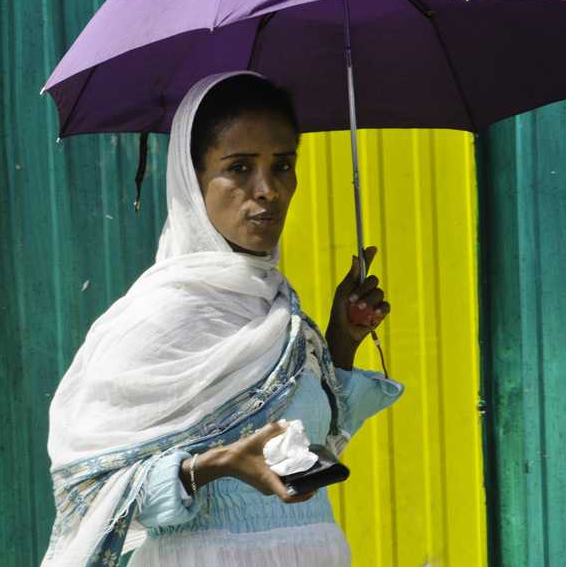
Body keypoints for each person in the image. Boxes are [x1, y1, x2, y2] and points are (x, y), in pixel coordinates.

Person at [42, 71, 403, 566]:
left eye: (282, 166)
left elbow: (319, 446)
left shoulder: (280, 313)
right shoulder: (154, 318)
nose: (267, 190)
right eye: (238, 167)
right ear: (192, 180)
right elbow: (90, 495)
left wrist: (342, 338)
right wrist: (216, 466)